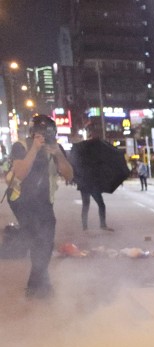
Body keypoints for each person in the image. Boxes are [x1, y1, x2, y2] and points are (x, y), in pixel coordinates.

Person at [7, 114, 75, 298]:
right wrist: (35, 149)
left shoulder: (54, 147)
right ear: (32, 133)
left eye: (48, 132)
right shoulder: (21, 146)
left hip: (43, 201)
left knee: (45, 240)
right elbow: (20, 173)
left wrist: (59, 154)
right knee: (38, 238)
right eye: (40, 133)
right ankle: (38, 287)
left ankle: (38, 283)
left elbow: (69, 175)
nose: (44, 136)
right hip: (21, 200)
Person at [74, 122, 111, 231]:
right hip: (89, 183)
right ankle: (99, 225)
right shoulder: (90, 151)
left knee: (88, 205)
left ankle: (87, 226)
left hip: (87, 183)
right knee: (95, 204)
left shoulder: (84, 150)